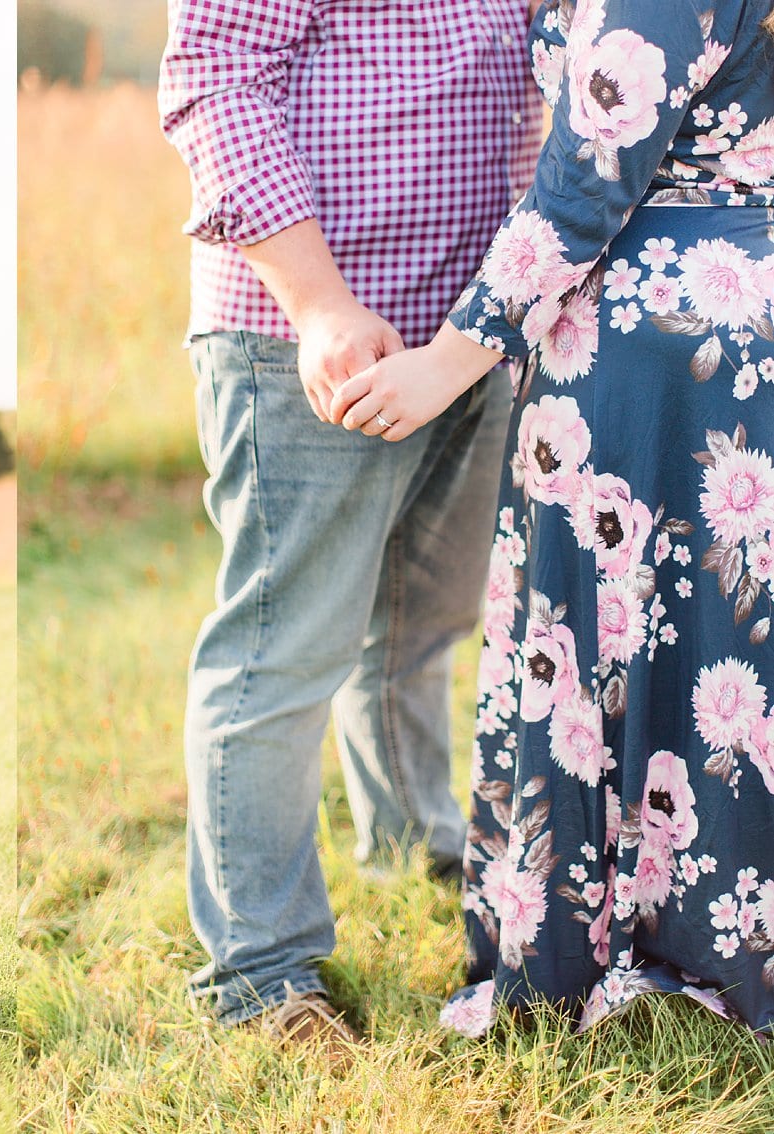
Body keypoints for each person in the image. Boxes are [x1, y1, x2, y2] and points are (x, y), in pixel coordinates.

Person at [329, 0, 774, 1034]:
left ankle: (657, 946)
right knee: (683, 643)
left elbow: (583, 182)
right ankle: (673, 924)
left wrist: (448, 362)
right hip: (682, 326)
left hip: (659, 348)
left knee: (656, 645)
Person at [158, 0, 545, 1045]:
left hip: (473, 331)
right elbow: (213, 77)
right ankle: (260, 978)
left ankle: (414, 844)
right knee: (281, 654)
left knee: (420, 622)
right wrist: (319, 304)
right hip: (314, 337)